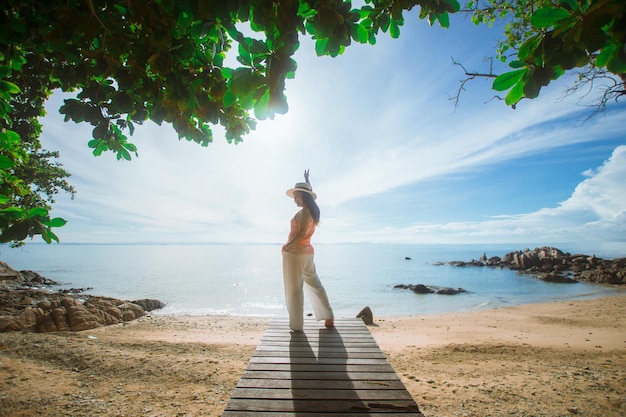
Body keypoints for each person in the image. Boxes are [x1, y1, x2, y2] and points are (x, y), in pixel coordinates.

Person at [282, 170, 334, 331]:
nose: (295, 200)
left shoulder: (305, 212)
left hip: (296, 253)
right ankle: (328, 316)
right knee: (314, 283)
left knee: (294, 289)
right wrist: (307, 180)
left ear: (303, 197)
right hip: (307, 253)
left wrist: (287, 246)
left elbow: (302, 233)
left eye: (297, 197)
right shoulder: (312, 210)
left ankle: (296, 325)